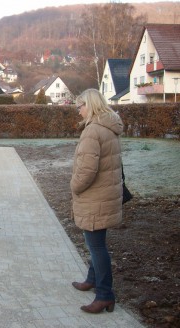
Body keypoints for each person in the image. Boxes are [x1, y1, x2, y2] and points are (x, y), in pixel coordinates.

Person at [70, 89, 124, 314]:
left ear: (89, 106)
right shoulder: (108, 127)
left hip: (95, 197)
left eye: (80, 106)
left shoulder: (93, 131)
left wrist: (73, 186)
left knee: (96, 246)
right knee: (96, 243)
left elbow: (87, 170)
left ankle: (104, 295)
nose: (78, 110)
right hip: (104, 195)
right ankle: (92, 279)